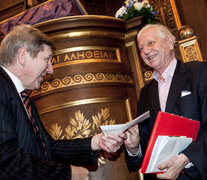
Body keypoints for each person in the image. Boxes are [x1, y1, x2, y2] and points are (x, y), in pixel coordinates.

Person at [0, 24, 125, 180]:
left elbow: (48, 149)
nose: (51, 69)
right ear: (23, 55)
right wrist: (68, 173)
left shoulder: (25, 100)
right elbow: (6, 160)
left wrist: (96, 142)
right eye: (47, 59)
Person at [123, 24, 207, 180]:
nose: (145, 51)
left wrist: (185, 158)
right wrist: (134, 147)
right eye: (141, 48)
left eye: (150, 43)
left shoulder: (200, 73)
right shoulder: (146, 92)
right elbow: (146, 141)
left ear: (169, 42)